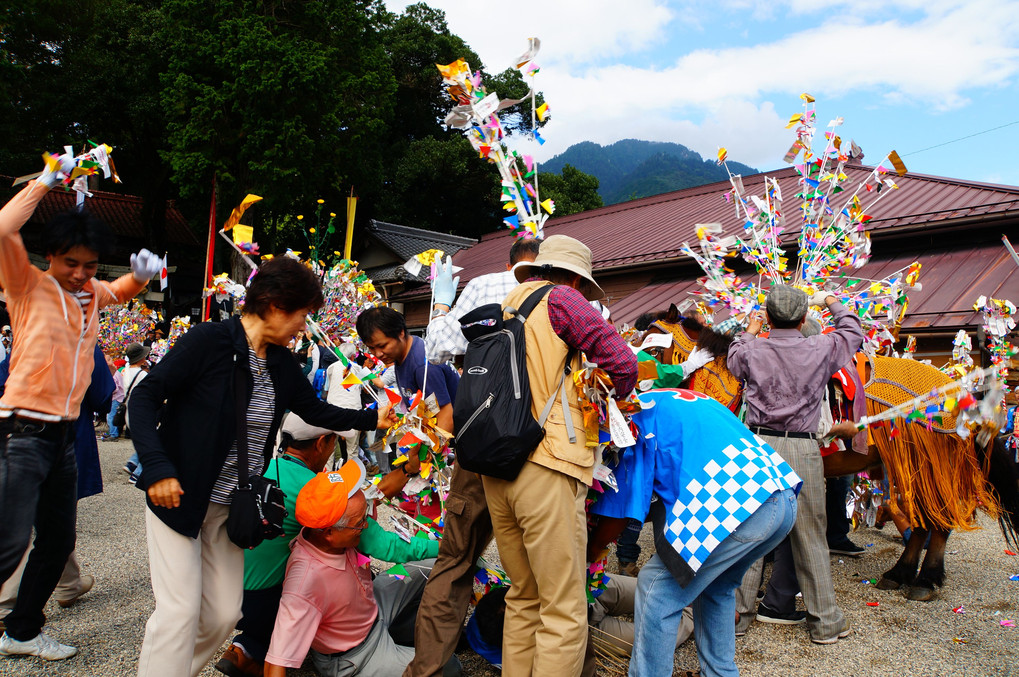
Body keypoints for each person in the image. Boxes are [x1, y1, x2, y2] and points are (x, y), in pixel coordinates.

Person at [129, 256, 398, 677]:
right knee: (179, 610)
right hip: (179, 495)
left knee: (222, 614)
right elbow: (143, 399)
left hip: (232, 506)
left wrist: (370, 419)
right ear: (275, 305)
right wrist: (158, 467)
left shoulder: (282, 364)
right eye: (302, 315)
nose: (303, 327)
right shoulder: (208, 341)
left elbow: (314, 409)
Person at [0, 164, 160, 661]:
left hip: (65, 437)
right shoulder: (27, 285)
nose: (81, 273)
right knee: (6, 543)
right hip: (22, 431)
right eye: (71, 263)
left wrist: (138, 276)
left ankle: (21, 631)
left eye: (91, 265)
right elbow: (4, 229)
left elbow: (118, 292)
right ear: (50, 256)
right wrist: (47, 180)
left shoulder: (91, 295)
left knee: (56, 541)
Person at [481, 234, 638, 676]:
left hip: (497, 464)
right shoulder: (565, 299)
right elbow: (623, 364)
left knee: (524, 596)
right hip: (545, 463)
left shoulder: (508, 303)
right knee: (563, 609)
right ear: (573, 276)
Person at [588, 388, 800, 676]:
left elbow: (622, 511)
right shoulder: (671, 399)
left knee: (656, 586)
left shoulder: (632, 419)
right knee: (716, 588)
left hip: (737, 506)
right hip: (780, 497)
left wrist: (592, 550)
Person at [405, 238, 540, 677]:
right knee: (543, 572)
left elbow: (438, 349)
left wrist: (442, 303)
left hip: (479, 442)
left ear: (509, 262)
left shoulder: (484, 286)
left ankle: (426, 669)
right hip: (540, 448)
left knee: (455, 560)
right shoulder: (568, 293)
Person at [217, 413, 439, 677]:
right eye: (334, 441)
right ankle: (263, 651)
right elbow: (385, 544)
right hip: (266, 599)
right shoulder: (313, 492)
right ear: (322, 443)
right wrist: (447, 546)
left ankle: (245, 648)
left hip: (226, 591)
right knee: (303, 600)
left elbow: (362, 500)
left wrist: (406, 470)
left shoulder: (267, 468)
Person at [727, 285, 864, 645]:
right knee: (811, 537)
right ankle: (826, 624)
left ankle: (737, 618)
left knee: (749, 532)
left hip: (756, 446)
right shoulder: (822, 347)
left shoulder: (751, 348)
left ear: (769, 317)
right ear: (805, 319)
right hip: (802, 449)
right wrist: (832, 300)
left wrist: (752, 328)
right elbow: (853, 331)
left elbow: (734, 351)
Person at [263, 466, 460, 677]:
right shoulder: (304, 583)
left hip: (373, 607)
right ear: (329, 532)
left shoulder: (338, 528)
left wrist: (407, 469)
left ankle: (406, 630)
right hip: (357, 653)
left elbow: (389, 532)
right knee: (449, 667)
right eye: (360, 523)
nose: (367, 526)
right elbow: (274, 662)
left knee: (436, 565)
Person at [0, 344, 113, 627]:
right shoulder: (84, 340)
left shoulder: (29, 331)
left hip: (17, 433)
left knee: (50, 523)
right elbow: (101, 396)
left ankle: (68, 583)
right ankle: (7, 604)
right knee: (42, 525)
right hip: (63, 434)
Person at [465, 574, 693, 670]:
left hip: (587, 591)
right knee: (652, 640)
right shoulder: (501, 653)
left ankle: (693, 594)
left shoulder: (498, 597)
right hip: (583, 632)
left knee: (649, 589)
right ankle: (694, 616)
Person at [356, 307, 459, 478]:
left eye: (382, 346)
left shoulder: (421, 364)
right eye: (371, 348)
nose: (378, 354)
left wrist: (426, 462)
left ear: (401, 333)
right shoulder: (402, 355)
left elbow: (446, 415)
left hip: (455, 441)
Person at [121, 341, 151, 477]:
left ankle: (132, 463)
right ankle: (138, 473)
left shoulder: (124, 372)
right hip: (140, 412)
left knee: (144, 440)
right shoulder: (142, 375)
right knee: (150, 442)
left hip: (128, 411)